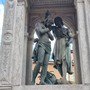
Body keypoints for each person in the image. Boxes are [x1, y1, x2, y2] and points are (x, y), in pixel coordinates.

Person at [31, 12, 54, 85]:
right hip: (41, 44)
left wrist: (48, 30)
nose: (50, 25)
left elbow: (52, 38)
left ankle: (42, 80)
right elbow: (41, 31)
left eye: (51, 24)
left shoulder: (47, 28)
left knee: (45, 64)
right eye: (49, 22)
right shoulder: (39, 24)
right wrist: (48, 29)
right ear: (46, 19)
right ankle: (32, 80)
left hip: (48, 45)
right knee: (40, 61)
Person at [51, 17, 73, 82]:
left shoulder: (66, 29)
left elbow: (71, 37)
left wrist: (68, 42)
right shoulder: (54, 28)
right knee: (57, 62)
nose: (56, 23)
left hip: (64, 44)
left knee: (64, 60)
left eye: (57, 21)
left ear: (61, 21)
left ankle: (64, 77)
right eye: (55, 22)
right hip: (57, 44)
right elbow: (48, 25)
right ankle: (63, 77)